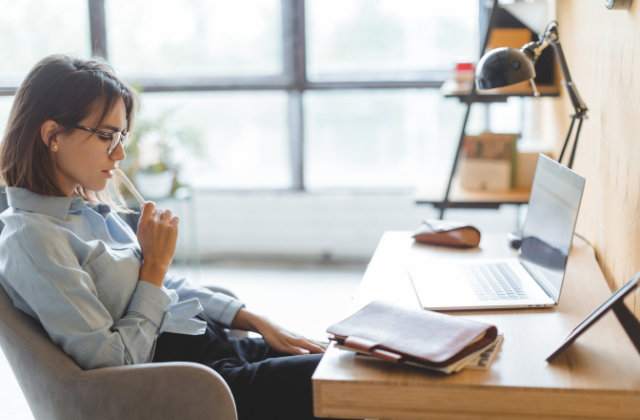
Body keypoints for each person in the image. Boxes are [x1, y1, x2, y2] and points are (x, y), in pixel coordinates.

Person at [0, 54, 336, 420]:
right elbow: (116, 361)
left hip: (214, 353)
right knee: (350, 383)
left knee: (352, 361)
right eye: (106, 136)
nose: (121, 153)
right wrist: (155, 265)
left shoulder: (85, 208)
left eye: (122, 135)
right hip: (192, 385)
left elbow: (163, 288)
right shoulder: (32, 238)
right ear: (51, 135)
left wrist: (254, 320)